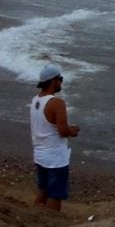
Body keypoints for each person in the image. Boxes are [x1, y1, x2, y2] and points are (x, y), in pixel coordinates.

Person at [29, 67, 78, 212]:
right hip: (55, 157)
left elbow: (47, 124)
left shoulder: (36, 100)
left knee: (43, 190)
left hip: (40, 154)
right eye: (60, 79)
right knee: (56, 194)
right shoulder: (57, 103)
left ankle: (35, 216)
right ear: (53, 81)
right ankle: (51, 222)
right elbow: (63, 131)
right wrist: (72, 131)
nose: (61, 83)